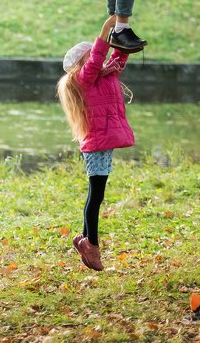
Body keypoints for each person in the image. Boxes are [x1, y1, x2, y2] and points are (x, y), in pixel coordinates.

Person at [57, 16, 136, 271]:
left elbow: (117, 58)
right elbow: (96, 59)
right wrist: (105, 28)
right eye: (92, 56)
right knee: (96, 195)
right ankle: (92, 244)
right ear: (83, 62)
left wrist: (122, 36)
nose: (98, 59)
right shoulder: (84, 79)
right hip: (96, 144)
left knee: (96, 194)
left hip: (103, 142)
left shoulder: (103, 76)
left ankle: (85, 240)